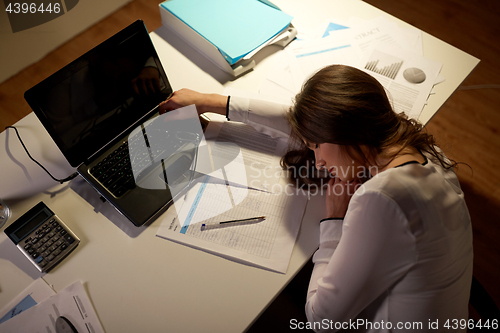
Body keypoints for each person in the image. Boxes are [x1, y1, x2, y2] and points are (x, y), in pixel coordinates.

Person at [159, 65, 473, 332]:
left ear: (344, 132)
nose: (318, 160)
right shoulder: (415, 145)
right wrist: (214, 102)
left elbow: (322, 320)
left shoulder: (382, 199)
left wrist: (334, 220)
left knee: (254, 302)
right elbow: (306, 123)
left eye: (316, 145)